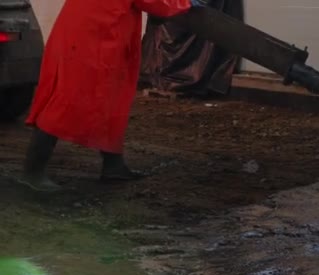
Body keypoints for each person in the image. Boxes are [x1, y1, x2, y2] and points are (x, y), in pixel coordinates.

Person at [20, 0, 208, 192]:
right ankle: (33, 171)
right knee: (66, 100)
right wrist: (183, 4)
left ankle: (113, 165)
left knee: (111, 103)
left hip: (103, 33)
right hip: (91, 37)